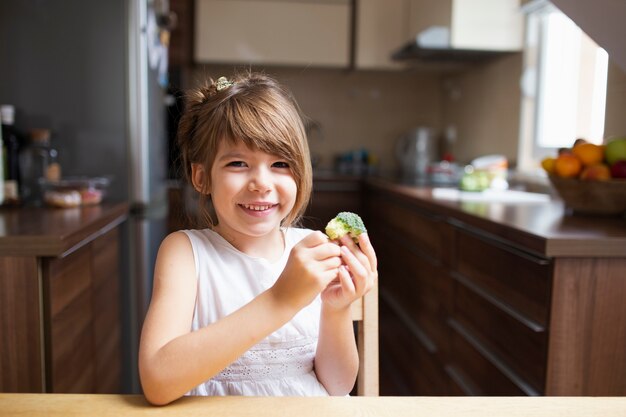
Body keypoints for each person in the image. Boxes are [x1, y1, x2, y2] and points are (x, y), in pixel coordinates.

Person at [138, 72, 378, 405]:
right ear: (201, 176)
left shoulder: (312, 251)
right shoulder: (186, 253)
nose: (261, 183)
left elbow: (337, 387)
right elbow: (157, 381)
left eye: (280, 163)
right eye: (238, 163)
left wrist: (336, 310)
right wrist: (280, 299)